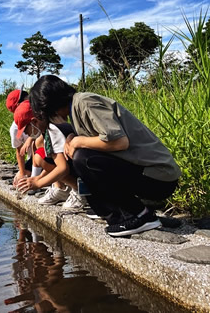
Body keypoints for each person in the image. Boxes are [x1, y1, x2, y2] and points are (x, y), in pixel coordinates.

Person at [28, 75, 181, 237]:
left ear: (51, 105)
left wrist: (79, 141)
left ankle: (141, 215)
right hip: (142, 172)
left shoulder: (86, 103)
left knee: (83, 158)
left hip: (159, 177)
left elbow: (120, 142)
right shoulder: (75, 109)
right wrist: (72, 138)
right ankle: (116, 214)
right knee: (77, 157)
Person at [14, 100, 83, 210]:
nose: (26, 134)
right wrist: (38, 177)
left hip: (81, 170)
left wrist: (38, 183)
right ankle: (64, 188)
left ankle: (79, 191)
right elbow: (54, 162)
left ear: (34, 121)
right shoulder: (49, 127)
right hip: (76, 164)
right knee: (40, 155)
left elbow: (62, 168)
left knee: (39, 157)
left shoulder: (53, 131)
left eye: (25, 129)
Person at [6, 88, 42, 186]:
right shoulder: (15, 128)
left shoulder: (39, 112)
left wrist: (31, 139)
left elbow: (42, 131)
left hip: (43, 155)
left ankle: (36, 179)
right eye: (26, 99)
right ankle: (33, 176)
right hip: (34, 160)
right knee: (19, 178)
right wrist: (22, 173)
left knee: (37, 142)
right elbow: (19, 152)